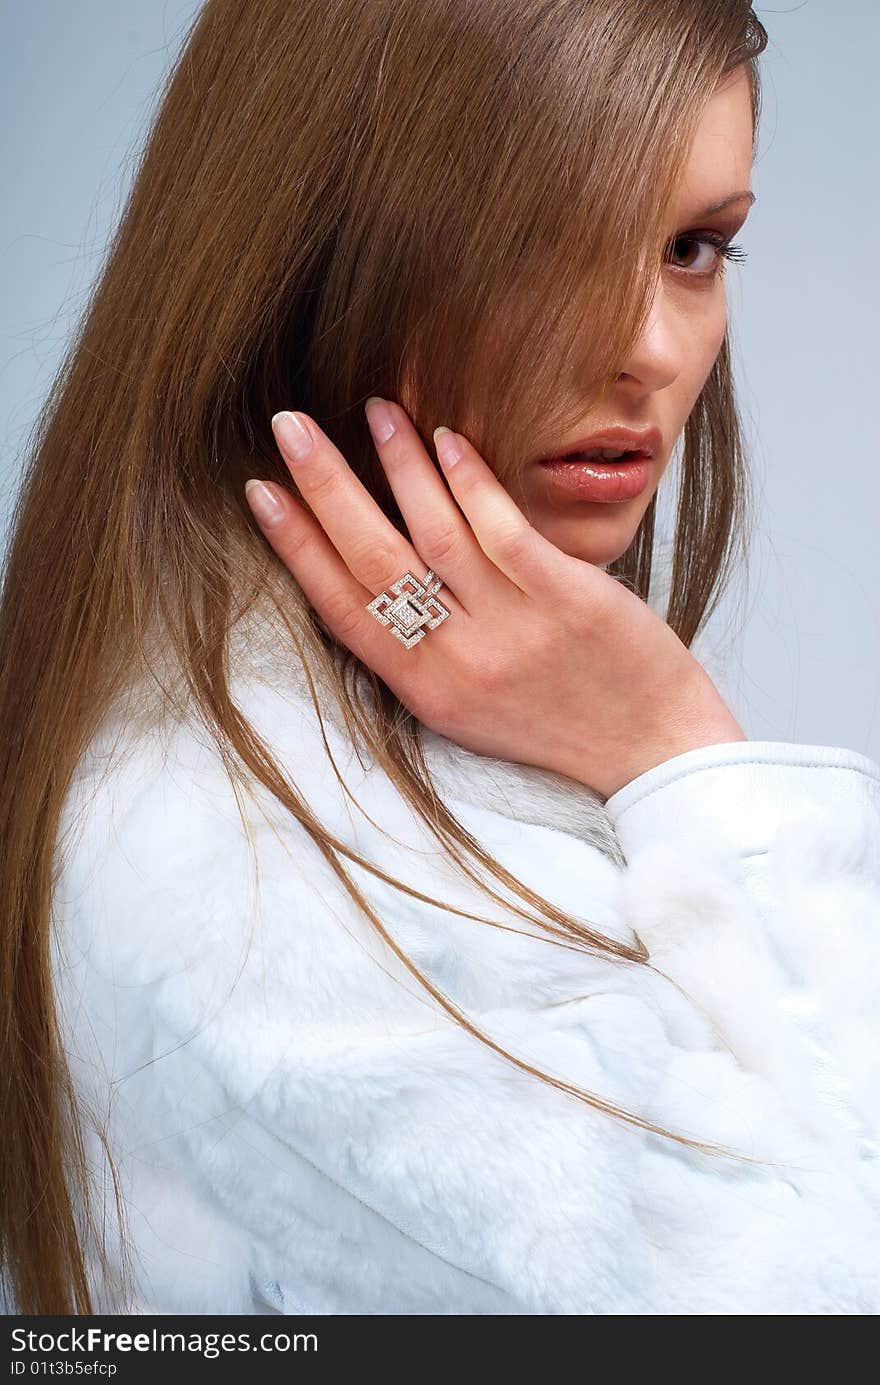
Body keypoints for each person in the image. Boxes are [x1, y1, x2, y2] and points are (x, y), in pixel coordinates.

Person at [1, 0, 878, 1316]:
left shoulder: (425, 739)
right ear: (311, 252)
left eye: (694, 247)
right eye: (540, 243)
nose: (647, 347)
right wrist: (684, 754)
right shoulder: (228, 864)